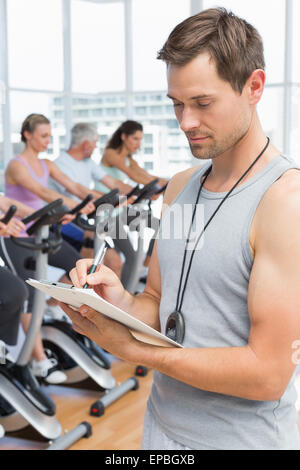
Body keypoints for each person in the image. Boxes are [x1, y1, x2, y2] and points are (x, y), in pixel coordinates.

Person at [59, 8, 300, 450]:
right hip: (162, 429)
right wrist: (118, 301)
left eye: (203, 103)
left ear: (254, 87)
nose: (185, 122)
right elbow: (158, 303)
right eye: (177, 104)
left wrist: (132, 351)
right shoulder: (178, 188)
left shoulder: (286, 204)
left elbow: (268, 374)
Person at [48, 122, 134, 277]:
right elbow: (81, 192)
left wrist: (133, 193)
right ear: (86, 144)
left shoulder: (88, 162)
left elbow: (112, 182)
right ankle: (53, 302)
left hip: (82, 219)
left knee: (107, 264)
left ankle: (106, 301)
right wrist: (117, 200)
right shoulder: (61, 164)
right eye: (95, 144)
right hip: (64, 221)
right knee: (96, 265)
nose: (95, 148)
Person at [96, 120, 168, 193]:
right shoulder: (110, 153)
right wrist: (157, 185)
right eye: (135, 139)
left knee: (136, 201)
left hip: (118, 197)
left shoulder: (129, 160)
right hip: (102, 197)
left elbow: (145, 174)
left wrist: (166, 183)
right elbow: (132, 175)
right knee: (133, 199)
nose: (138, 144)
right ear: (123, 136)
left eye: (140, 139)